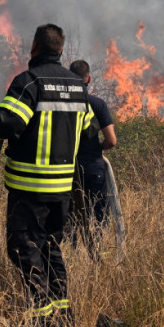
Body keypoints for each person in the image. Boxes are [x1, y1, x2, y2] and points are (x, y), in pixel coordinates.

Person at [0, 24, 91, 327]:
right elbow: (89, 130)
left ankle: (44, 322)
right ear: (61, 50)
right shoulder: (77, 86)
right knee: (50, 247)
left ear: (34, 48)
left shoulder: (29, 81)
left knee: (24, 250)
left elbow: (6, 123)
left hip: (29, 190)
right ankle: (63, 316)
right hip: (62, 191)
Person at [68, 60, 117, 263]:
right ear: (88, 78)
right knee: (98, 217)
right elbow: (111, 141)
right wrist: (99, 148)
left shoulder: (62, 104)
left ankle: (70, 256)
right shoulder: (97, 104)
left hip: (66, 169)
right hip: (93, 168)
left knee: (69, 217)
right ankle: (97, 258)